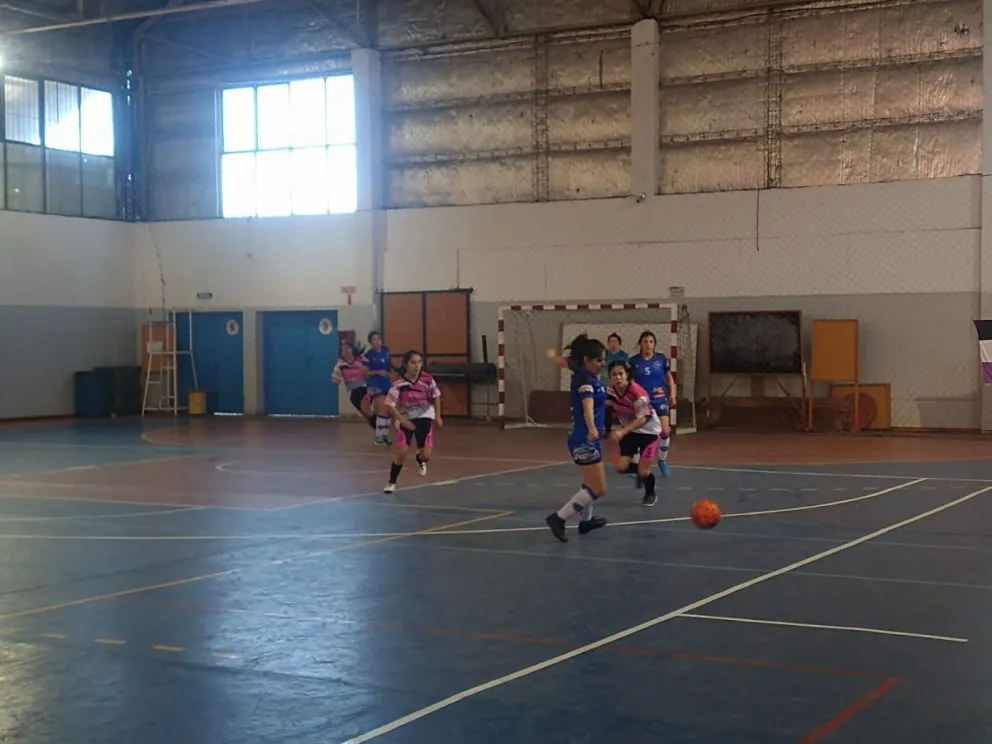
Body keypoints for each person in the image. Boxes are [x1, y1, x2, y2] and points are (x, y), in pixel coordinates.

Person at [544, 334, 609, 542]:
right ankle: (559, 518)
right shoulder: (585, 380)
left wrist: (553, 355)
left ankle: (585, 521)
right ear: (587, 361)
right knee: (598, 488)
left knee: (589, 483)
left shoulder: (582, 371)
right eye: (599, 360)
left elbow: (564, 361)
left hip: (588, 439)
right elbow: (587, 405)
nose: (603, 363)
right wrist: (592, 428)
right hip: (584, 439)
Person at [383, 350, 442, 493]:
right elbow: (390, 405)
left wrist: (438, 416)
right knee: (401, 453)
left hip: (425, 416)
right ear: (406, 364)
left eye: (419, 362)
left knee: (426, 455)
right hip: (406, 417)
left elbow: (436, 396)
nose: (417, 366)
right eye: (413, 362)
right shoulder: (399, 383)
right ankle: (391, 482)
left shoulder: (427, 380)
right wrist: (402, 421)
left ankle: (420, 459)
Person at [606, 359, 661, 507]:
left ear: (627, 375)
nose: (617, 377)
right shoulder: (610, 391)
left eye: (620, 373)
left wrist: (622, 431)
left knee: (644, 472)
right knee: (619, 467)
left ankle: (650, 492)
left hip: (648, 432)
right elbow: (607, 409)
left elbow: (643, 418)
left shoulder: (638, 394)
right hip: (630, 431)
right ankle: (641, 469)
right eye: (614, 374)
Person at [628, 330, 675, 476]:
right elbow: (630, 382)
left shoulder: (661, 359)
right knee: (640, 432)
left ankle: (662, 461)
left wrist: (672, 394)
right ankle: (636, 464)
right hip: (642, 401)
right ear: (640, 344)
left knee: (665, 431)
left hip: (659, 398)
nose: (648, 344)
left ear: (654, 344)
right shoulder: (633, 362)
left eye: (651, 341)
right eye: (645, 342)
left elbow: (669, 379)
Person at [331, 340, 373, 429]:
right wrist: (335, 380)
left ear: (352, 349)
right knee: (366, 415)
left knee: (366, 410)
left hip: (365, 389)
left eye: (347, 348)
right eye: (343, 349)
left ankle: (380, 426)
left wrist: (365, 370)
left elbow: (370, 370)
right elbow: (335, 377)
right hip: (352, 391)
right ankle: (377, 427)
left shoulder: (361, 360)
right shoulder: (340, 364)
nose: (345, 351)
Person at [362, 330, 394, 445]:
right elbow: (365, 372)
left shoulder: (386, 351)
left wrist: (389, 374)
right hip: (375, 383)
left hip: (386, 382)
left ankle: (385, 435)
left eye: (379, 339)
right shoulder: (367, 356)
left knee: (389, 409)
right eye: (374, 340)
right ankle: (379, 437)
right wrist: (378, 372)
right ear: (371, 342)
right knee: (381, 408)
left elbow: (389, 366)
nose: (377, 342)